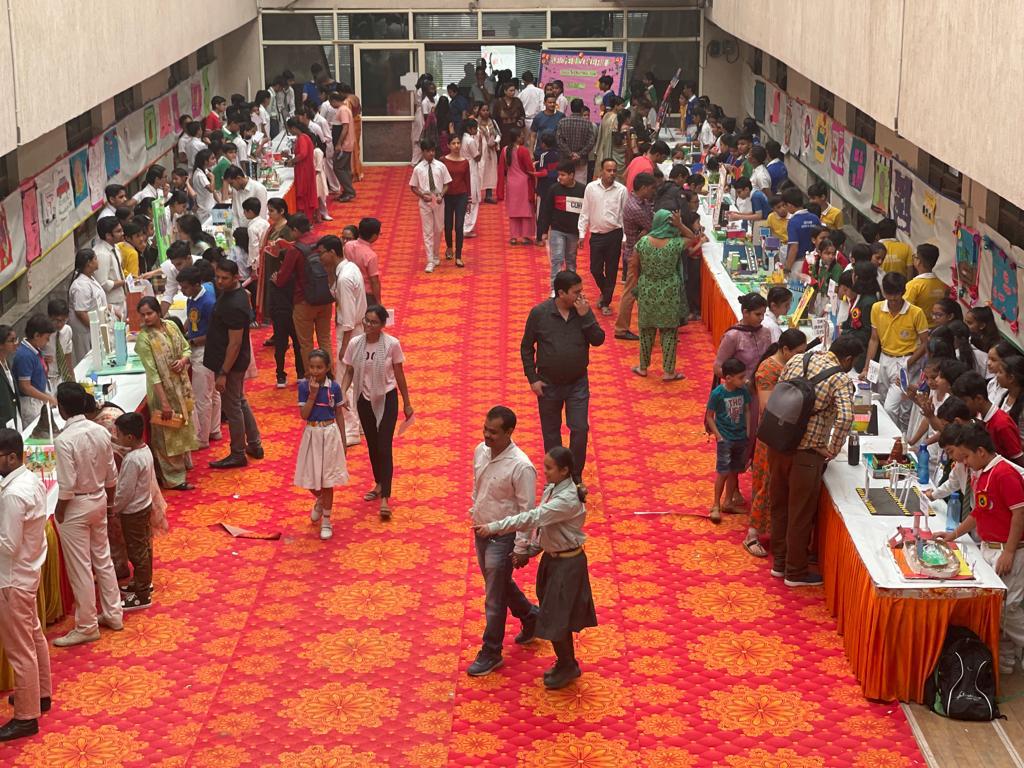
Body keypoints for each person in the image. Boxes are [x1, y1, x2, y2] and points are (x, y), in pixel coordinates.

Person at [473, 445, 596, 689]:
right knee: (553, 613)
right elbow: (547, 528)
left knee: (557, 616)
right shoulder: (553, 487)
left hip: (567, 564)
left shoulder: (566, 499)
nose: (544, 472)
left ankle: (568, 664)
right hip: (553, 559)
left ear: (564, 471)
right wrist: (530, 550)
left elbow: (533, 517)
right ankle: (564, 660)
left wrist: (495, 527)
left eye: (549, 468)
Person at [769, 335, 863, 586]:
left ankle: (779, 562)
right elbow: (846, 418)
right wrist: (832, 448)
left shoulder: (798, 359)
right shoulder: (840, 379)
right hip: (807, 454)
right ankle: (795, 572)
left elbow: (780, 391)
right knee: (800, 514)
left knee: (779, 506)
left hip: (778, 443)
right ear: (848, 359)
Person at [936, 423, 1024, 675]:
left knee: (1008, 608)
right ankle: (1006, 658)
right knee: (998, 609)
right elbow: (979, 512)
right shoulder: (982, 473)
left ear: (981, 452)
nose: (964, 462)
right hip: (990, 546)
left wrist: (1009, 551)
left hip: (1010, 550)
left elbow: (1019, 514)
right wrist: (954, 534)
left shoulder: (1004, 473)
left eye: (966, 456)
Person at [465, 406, 539, 678]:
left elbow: (527, 510)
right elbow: (478, 485)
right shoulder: (480, 451)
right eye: (485, 429)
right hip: (481, 530)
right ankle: (531, 616)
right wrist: (475, 510)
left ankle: (492, 650)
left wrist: (521, 547)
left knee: (494, 597)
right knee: (499, 584)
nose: (486, 435)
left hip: (503, 538)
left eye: (493, 432)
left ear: (509, 432)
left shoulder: (521, 467)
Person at [52, 382, 123, 646]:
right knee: (102, 558)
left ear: (61, 408)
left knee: (80, 567)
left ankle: (86, 625)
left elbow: (67, 486)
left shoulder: (64, 440)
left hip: (75, 506)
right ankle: (113, 614)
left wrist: (59, 513)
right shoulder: (100, 431)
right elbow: (111, 474)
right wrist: (109, 504)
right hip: (98, 498)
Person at [521, 271, 605, 486]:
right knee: (551, 433)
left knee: (580, 429)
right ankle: (556, 479)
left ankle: (575, 476)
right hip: (548, 384)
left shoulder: (582, 311)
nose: (581, 296)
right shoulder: (539, 313)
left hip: (577, 383)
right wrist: (532, 378)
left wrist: (586, 317)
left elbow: (598, 339)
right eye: (576, 292)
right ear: (561, 293)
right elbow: (526, 347)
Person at [0, 428, 51, 742]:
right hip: (28, 571)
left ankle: (26, 717)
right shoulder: (29, 479)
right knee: (33, 636)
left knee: (20, 650)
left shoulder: (12, 494)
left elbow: (8, 545)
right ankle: (40, 694)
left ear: (10, 457)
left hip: (11, 579)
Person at [340, 306, 414, 521]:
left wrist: (407, 403)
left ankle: (385, 498)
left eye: (373, 322)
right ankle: (379, 483)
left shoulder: (392, 344)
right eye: (366, 320)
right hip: (364, 400)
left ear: (382, 325)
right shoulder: (355, 344)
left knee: (384, 446)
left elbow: (399, 374)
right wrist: (343, 392)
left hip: (387, 399)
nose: (368, 325)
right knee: (372, 445)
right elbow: (349, 371)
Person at [747, 330, 807, 555]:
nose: (802, 357)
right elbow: (767, 406)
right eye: (798, 352)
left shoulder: (791, 366)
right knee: (767, 482)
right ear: (785, 350)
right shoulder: (768, 369)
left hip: (785, 434)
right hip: (772, 435)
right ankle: (752, 534)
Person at [205, 259, 263, 469]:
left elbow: (235, 343)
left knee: (233, 408)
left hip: (230, 363)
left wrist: (223, 372)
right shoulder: (234, 294)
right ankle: (254, 443)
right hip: (231, 361)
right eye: (218, 277)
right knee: (239, 401)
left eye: (225, 278)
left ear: (236, 277)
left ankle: (238, 452)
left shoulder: (234, 304)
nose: (220, 281)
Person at [134, 297, 198, 490]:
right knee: (166, 435)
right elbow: (153, 373)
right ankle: (173, 478)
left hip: (180, 387)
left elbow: (186, 348)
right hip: (162, 392)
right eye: (143, 315)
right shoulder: (144, 338)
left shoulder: (170, 325)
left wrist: (183, 361)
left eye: (150, 313)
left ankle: (182, 464)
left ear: (158, 312)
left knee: (182, 426)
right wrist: (164, 403)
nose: (146, 318)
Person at [862, 272, 930, 429]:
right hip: (884, 359)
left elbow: (925, 343)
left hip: (906, 360)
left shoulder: (916, 312)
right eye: (889, 295)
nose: (892, 299)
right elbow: (874, 339)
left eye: (896, 295)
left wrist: (908, 364)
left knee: (891, 408)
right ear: (883, 292)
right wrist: (867, 367)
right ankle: (892, 434)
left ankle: (896, 436)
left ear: (903, 292)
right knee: (881, 400)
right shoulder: (877, 308)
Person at [295, 349, 350, 542]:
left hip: (329, 434)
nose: (315, 371)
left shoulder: (334, 387)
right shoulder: (304, 386)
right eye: (312, 367)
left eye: (319, 367)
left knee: (327, 481)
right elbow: (304, 415)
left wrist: (343, 440)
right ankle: (320, 499)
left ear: (327, 368)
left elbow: (339, 414)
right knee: (309, 478)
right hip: (312, 433)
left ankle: (326, 521)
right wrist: (312, 395)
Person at [318, 236, 365, 446]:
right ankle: (360, 425)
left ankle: (351, 429)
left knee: (346, 381)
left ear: (332, 252)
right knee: (357, 378)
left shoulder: (345, 277)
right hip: (355, 329)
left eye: (322, 253)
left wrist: (344, 347)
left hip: (350, 332)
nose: (320, 257)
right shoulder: (348, 268)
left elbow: (347, 318)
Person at [630, 209, 688, 381]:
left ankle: (642, 368)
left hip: (647, 288)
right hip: (669, 290)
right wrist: (680, 225)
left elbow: (634, 265)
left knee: (646, 330)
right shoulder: (675, 243)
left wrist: (637, 284)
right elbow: (693, 238)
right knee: (669, 332)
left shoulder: (642, 242)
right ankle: (669, 372)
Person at [108, 412, 156, 612]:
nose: (116, 437)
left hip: (133, 511)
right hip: (144, 505)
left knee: (137, 552)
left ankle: (142, 595)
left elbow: (125, 491)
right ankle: (143, 581)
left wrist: (114, 509)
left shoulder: (131, 460)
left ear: (129, 437)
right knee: (144, 547)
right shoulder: (144, 450)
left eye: (118, 434)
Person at [274, 213, 333, 372]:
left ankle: (312, 378)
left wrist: (275, 278)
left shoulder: (295, 250)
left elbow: (282, 280)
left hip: (303, 301)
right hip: (325, 297)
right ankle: (330, 376)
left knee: (306, 343)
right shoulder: (322, 242)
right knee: (325, 340)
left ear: (294, 229)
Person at [178, 266, 222, 450]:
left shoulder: (209, 303)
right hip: (197, 346)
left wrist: (192, 341)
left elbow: (215, 332)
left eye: (185, 287)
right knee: (212, 392)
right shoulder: (193, 298)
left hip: (204, 350)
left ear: (197, 285)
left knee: (202, 396)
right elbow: (191, 319)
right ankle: (214, 429)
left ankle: (202, 438)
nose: (182, 291)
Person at [706, 358, 752, 524]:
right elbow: (709, 416)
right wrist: (718, 435)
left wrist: (748, 431)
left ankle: (728, 502)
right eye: (741, 377)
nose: (744, 380)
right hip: (725, 438)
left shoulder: (743, 391)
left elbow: (747, 410)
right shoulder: (718, 393)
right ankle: (716, 505)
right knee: (723, 472)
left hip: (740, 437)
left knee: (734, 471)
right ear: (729, 378)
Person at [579, 158, 626, 316]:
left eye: (614, 171)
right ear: (601, 171)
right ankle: (605, 291)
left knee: (612, 270)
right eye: (608, 170)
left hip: (614, 235)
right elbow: (585, 211)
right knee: (595, 269)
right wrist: (581, 233)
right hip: (597, 235)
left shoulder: (621, 190)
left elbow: (624, 215)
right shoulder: (591, 188)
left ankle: (606, 302)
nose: (612, 173)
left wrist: (625, 238)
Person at [613, 173, 657, 341]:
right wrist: (648, 229)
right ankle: (621, 329)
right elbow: (654, 225)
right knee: (631, 293)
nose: (653, 192)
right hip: (636, 256)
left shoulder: (641, 201)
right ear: (644, 188)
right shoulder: (635, 207)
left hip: (639, 253)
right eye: (651, 188)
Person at [952, 371, 1024, 463]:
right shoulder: (979, 418)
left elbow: (1018, 460)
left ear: (979, 399)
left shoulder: (1002, 424)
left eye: (965, 401)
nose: (962, 406)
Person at [537, 162, 586, 294]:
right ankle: (555, 289)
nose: (560, 178)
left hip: (574, 232)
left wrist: (582, 233)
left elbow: (585, 213)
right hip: (557, 230)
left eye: (563, 175)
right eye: (559, 175)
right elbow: (546, 211)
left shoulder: (582, 190)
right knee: (557, 260)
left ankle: (572, 289)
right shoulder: (554, 189)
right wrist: (544, 231)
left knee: (571, 261)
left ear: (572, 175)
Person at [410, 139, 451, 273]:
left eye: (433, 151)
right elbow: (413, 186)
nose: (431, 154)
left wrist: (441, 195)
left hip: (438, 200)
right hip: (425, 201)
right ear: (423, 152)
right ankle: (430, 260)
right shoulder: (418, 169)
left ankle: (436, 254)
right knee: (427, 231)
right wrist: (422, 195)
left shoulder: (441, 166)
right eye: (428, 151)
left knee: (438, 229)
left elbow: (447, 184)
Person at [714, 292, 772, 382]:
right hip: (740, 388)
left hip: (762, 385)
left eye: (763, 314)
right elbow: (718, 368)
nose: (762, 318)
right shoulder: (733, 336)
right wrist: (740, 381)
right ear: (745, 312)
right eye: (758, 314)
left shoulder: (766, 333)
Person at [12, 315, 55, 428]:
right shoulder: (25, 356)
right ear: (36, 335)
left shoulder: (34, 350)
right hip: (30, 403)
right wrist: (48, 398)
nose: (47, 342)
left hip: (39, 398)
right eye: (46, 338)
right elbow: (25, 387)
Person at [67, 248, 109, 363]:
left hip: (95, 327)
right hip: (86, 332)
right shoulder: (81, 285)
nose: (97, 261)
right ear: (89, 263)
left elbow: (97, 300)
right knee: (88, 361)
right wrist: (96, 329)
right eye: (95, 258)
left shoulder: (91, 278)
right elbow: (81, 312)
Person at [497, 128, 537, 246]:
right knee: (526, 210)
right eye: (521, 136)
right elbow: (529, 168)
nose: (523, 137)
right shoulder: (523, 150)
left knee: (513, 211)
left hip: (511, 183)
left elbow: (501, 170)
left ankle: (513, 237)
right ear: (517, 138)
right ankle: (525, 236)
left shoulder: (504, 150)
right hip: (523, 183)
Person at [442, 134, 471, 266]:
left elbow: (467, 180)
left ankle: (458, 255)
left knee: (459, 226)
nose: (456, 146)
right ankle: (449, 247)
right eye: (453, 143)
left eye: (458, 143)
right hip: (447, 196)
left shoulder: (465, 162)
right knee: (448, 225)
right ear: (448, 145)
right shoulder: (443, 161)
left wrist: (469, 199)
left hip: (461, 196)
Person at [903, 244, 950, 325]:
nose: (913, 258)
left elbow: (906, 310)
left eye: (915, 256)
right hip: (938, 327)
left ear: (919, 261)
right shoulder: (943, 285)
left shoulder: (913, 285)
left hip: (920, 328)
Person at [285, 116, 318, 222]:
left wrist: (292, 161)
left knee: (304, 193)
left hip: (304, 170)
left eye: (290, 129)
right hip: (304, 168)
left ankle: (306, 219)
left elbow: (303, 154)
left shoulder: (302, 138)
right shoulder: (304, 137)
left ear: (294, 128)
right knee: (306, 193)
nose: (290, 132)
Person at [556, 99, 597, 184]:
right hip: (581, 160)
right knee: (580, 184)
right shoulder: (588, 123)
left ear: (571, 108)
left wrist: (570, 153)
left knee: (564, 182)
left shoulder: (562, 122)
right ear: (582, 109)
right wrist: (579, 154)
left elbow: (559, 140)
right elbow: (591, 142)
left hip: (565, 159)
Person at [92, 216, 126, 316]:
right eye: (118, 231)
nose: (122, 233)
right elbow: (103, 284)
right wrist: (124, 282)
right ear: (108, 236)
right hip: (110, 304)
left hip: (121, 300)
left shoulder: (115, 247)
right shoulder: (101, 254)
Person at [782, 188, 822, 273]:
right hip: (815, 262)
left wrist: (787, 268)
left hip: (798, 263)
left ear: (789, 205)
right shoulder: (815, 218)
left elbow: (794, 247)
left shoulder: (793, 222)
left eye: (785, 205)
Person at [346, 217, 383, 304]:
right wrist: (378, 301)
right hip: (365, 294)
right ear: (374, 236)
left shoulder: (348, 245)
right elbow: (374, 281)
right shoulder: (370, 255)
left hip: (349, 288)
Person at [461, 119, 483, 237]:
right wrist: (480, 143)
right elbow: (477, 157)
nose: (476, 130)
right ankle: (467, 228)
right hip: (471, 169)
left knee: (466, 198)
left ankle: (463, 226)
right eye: (475, 128)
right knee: (473, 200)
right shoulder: (470, 140)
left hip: (463, 168)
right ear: (469, 129)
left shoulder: (461, 138)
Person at [476, 104, 500, 203]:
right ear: (479, 111)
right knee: (479, 172)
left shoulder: (492, 122)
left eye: (487, 110)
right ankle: (477, 195)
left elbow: (498, 134)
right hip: (480, 151)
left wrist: (495, 142)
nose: (485, 112)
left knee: (490, 173)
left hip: (491, 151)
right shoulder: (475, 123)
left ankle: (488, 195)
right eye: (483, 110)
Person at [494, 81, 526, 147]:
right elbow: (495, 118)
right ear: (505, 91)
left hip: (515, 129)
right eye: (511, 91)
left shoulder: (517, 101)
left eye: (514, 90)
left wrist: (519, 124)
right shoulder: (498, 102)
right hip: (503, 130)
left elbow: (522, 115)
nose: (513, 92)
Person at [0, 326, 20, 430]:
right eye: (11, 341)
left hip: (14, 414)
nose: (16, 343)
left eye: (16, 339)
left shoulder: (6, 362)